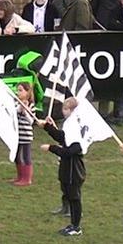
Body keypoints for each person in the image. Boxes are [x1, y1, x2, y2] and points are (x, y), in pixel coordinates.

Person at [41, 97, 87, 236]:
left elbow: (68, 151)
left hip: (74, 169)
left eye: (66, 109)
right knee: (68, 194)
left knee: (74, 197)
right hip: (66, 168)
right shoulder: (70, 125)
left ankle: (76, 226)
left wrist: (51, 148)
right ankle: (72, 224)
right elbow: (63, 138)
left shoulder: (77, 129)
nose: (63, 111)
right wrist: (48, 127)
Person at [11, 82, 37, 187]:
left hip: (26, 135)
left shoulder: (31, 105)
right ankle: (20, 176)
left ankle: (27, 178)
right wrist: (20, 108)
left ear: (28, 92)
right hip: (17, 134)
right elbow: (13, 114)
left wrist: (26, 111)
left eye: (21, 90)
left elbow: (31, 121)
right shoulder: (16, 103)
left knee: (26, 156)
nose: (18, 92)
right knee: (17, 156)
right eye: (18, 90)